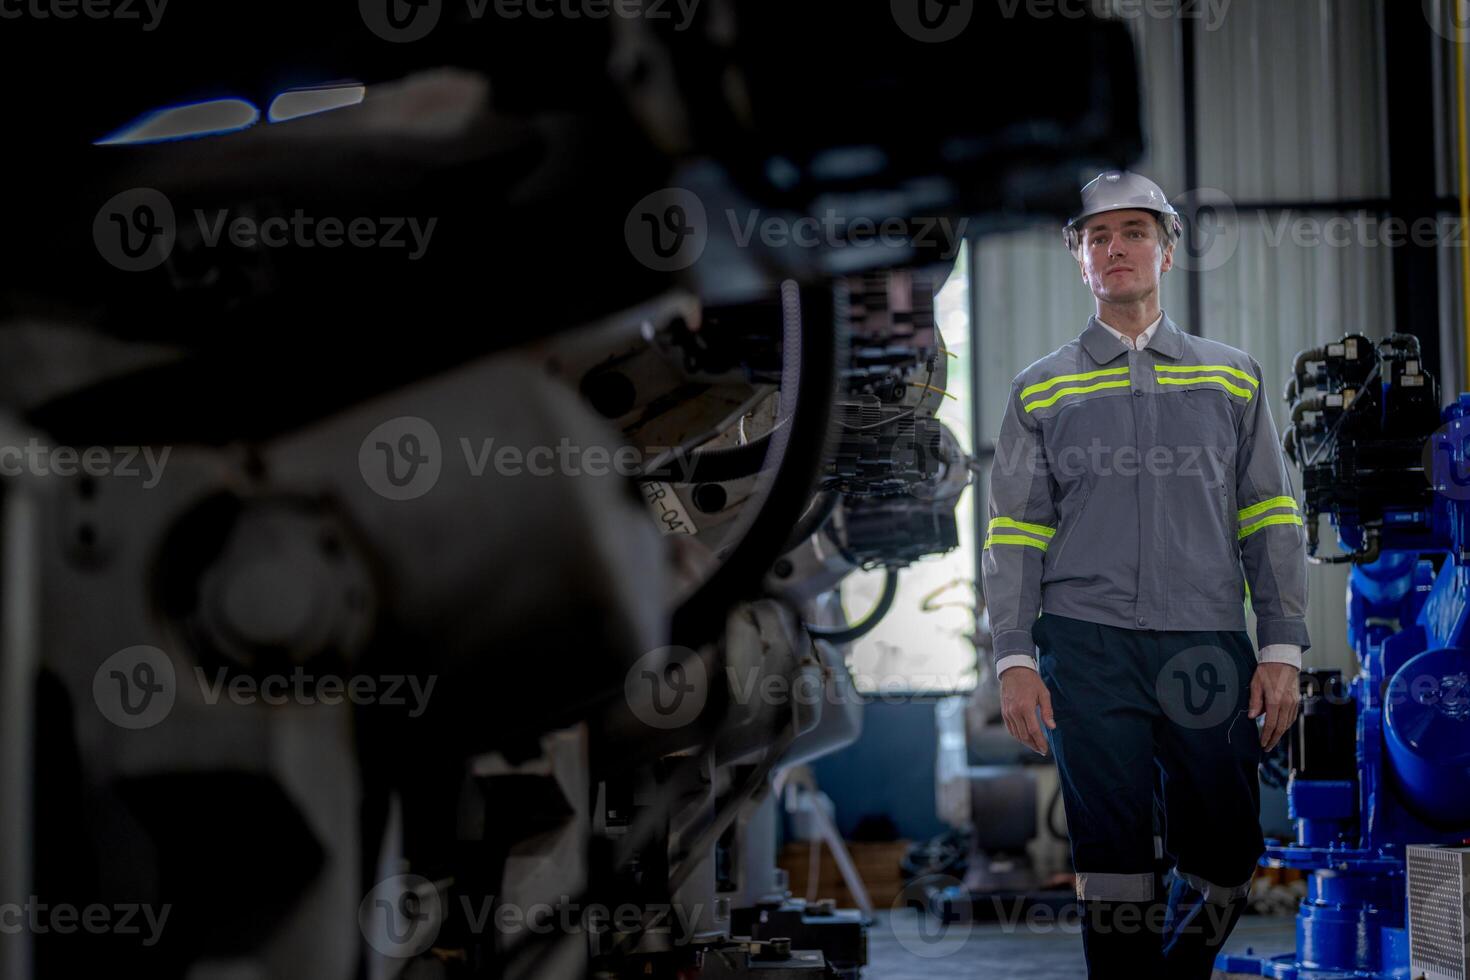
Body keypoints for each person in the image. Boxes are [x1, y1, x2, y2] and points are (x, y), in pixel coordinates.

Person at [979, 170, 1308, 978]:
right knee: (1112, 849)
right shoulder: (1041, 387)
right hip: (1087, 648)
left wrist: (1284, 647)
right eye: (1098, 237)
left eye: (1133, 232)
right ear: (1078, 259)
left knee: (1230, 851)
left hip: (1205, 642)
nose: (1115, 248)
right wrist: (1014, 657)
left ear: (1167, 248)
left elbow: (1269, 513)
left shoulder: (1230, 376)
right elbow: (1014, 533)